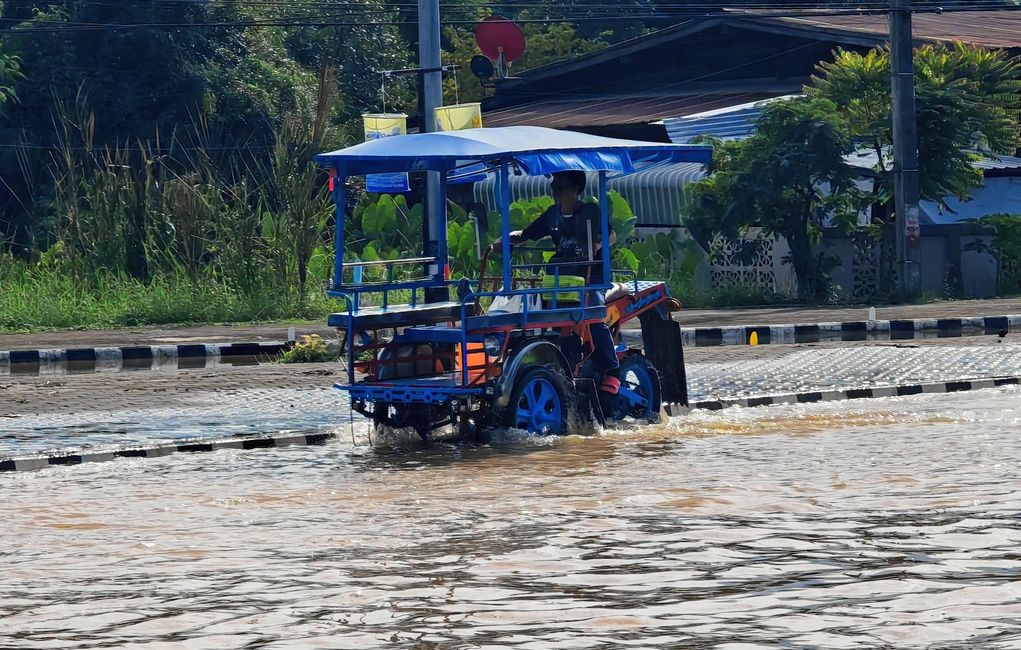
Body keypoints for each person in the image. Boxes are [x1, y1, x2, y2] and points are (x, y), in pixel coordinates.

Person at [490, 170, 620, 394]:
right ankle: (565, 362)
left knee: (594, 314)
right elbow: (527, 233)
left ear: (575, 190)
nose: (555, 191)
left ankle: (612, 369)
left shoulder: (590, 212)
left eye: (561, 186)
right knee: (552, 319)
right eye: (554, 186)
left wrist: (598, 246)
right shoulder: (552, 215)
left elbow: (611, 235)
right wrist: (508, 239)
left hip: (591, 276)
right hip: (561, 277)